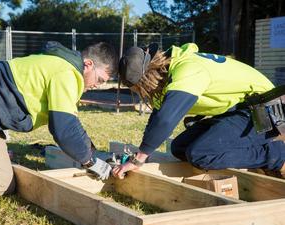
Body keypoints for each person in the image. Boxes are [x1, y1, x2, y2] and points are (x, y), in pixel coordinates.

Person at [113, 42, 285, 179]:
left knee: (201, 153)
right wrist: (143, 152)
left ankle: (277, 155)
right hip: (241, 110)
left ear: (146, 81)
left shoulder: (188, 70)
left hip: (265, 110)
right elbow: (158, 116)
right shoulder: (173, 69)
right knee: (180, 147)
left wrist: (138, 160)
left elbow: (166, 119)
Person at [0, 41, 118, 196]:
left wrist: (93, 153)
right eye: (99, 79)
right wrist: (90, 161)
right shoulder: (67, 73)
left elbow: (73, 125)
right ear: (88, 64)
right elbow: (64, 129)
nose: (96, 85)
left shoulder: (65, 69)